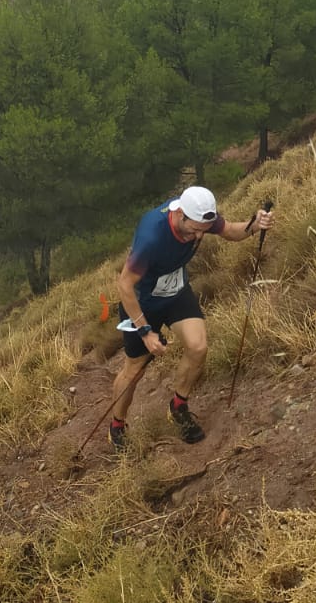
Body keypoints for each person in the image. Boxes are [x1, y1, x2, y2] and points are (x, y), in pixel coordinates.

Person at [108, 184, 273, 451]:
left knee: (198, 347)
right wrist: (145, 332)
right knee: (134, 371)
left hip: (175, 293)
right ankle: (117, 425)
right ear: (179, 214)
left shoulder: (202, 215)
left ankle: (178, 406)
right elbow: (124, 286)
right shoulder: (152, 236)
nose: (198, 236)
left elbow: (230, 231)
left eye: (203, 231)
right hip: (142, 302)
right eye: (194, 229)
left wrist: (254, 225)